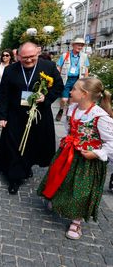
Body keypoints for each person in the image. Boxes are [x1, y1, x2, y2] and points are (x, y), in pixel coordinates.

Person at [38, 77, 113, 240]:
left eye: (74, 89)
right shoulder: (72, 108)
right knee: (60, 179)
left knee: (80, 189)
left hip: (87, 160)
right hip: (68, 153)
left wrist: (97, 153)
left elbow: (111, 141)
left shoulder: (100, 116)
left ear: (84, 94)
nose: (70, 91)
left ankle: (76, 221)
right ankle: (57, 200)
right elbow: (68, 127)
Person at [0, 42, 64, 194]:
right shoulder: (10, 70)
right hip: (15, 115)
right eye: (24, 57)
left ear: (38, 53)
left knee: (33, 144)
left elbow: (59, 86)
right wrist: (2, 116)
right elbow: (4, 94)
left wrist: (45, 98)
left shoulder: (49, 67)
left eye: (32, 57)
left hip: (38, 114)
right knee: (15, 145)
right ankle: (14, 178)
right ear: (18, 56)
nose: (28, 60)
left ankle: (26, 166)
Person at [55, 37, 89, 122]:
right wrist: (57, 78)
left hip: (78, 80)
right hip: (66, 79)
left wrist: (85, 82)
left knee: (72, 99)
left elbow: (86, 69)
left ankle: (69, 114)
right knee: (64, 99)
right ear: (73, 45)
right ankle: (61, 109)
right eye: (78, 45)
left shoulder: (84, 56)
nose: (80, 47)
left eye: (82, 45)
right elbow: (59, 67)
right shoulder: (65, 55)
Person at [0, 49, 14, 123]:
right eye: (3, 55)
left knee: (6, 103)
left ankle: (4, 119)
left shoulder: (13, 66)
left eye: (7, 55)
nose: (4, 57)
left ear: (10, 57)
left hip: (8, 89)